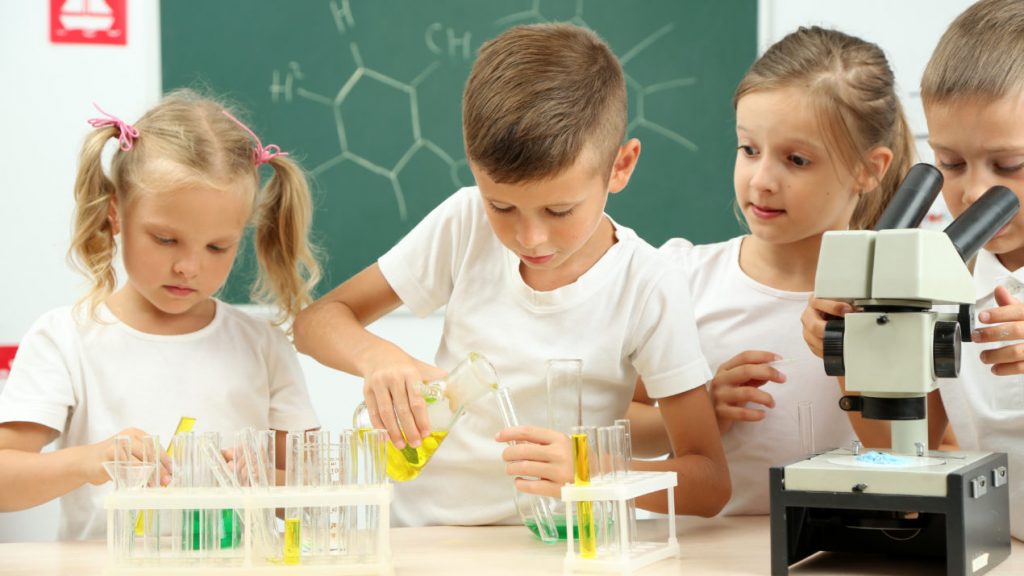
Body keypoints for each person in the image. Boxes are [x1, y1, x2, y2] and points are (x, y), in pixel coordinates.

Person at [293, 22, 729, 527]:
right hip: (424, 538)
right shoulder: (464, 223)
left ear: (621, 166)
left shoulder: (647, 284)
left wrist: (595, 472)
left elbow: (709, 482)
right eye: (501, 204)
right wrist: (377, 357)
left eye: (560, 211)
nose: (530, 238)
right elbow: (316, 322)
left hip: (559, 549)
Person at [0, 89, 321, 540]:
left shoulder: (262, 345)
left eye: (217, 247)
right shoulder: (66, 338)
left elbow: (318, 490)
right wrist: (88, 461)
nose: (188, 266)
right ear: (116, 213)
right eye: (165, 239)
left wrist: (272, 481)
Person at [631, 26, 913, 515]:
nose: (761, 181)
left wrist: (851, 358)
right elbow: (616, 422)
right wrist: (697, 412)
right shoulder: (677, 276)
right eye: (749, 149)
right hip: (703, 559)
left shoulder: (901, 300)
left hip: (838, 557)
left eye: (796, 160)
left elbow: (918, 464)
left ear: (870, 169)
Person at [802, 0, 1024, 538]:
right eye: (949, 163)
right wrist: (855, 346)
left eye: (1009, 165)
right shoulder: (947, 274)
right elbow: (895, 454)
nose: (973, 192)